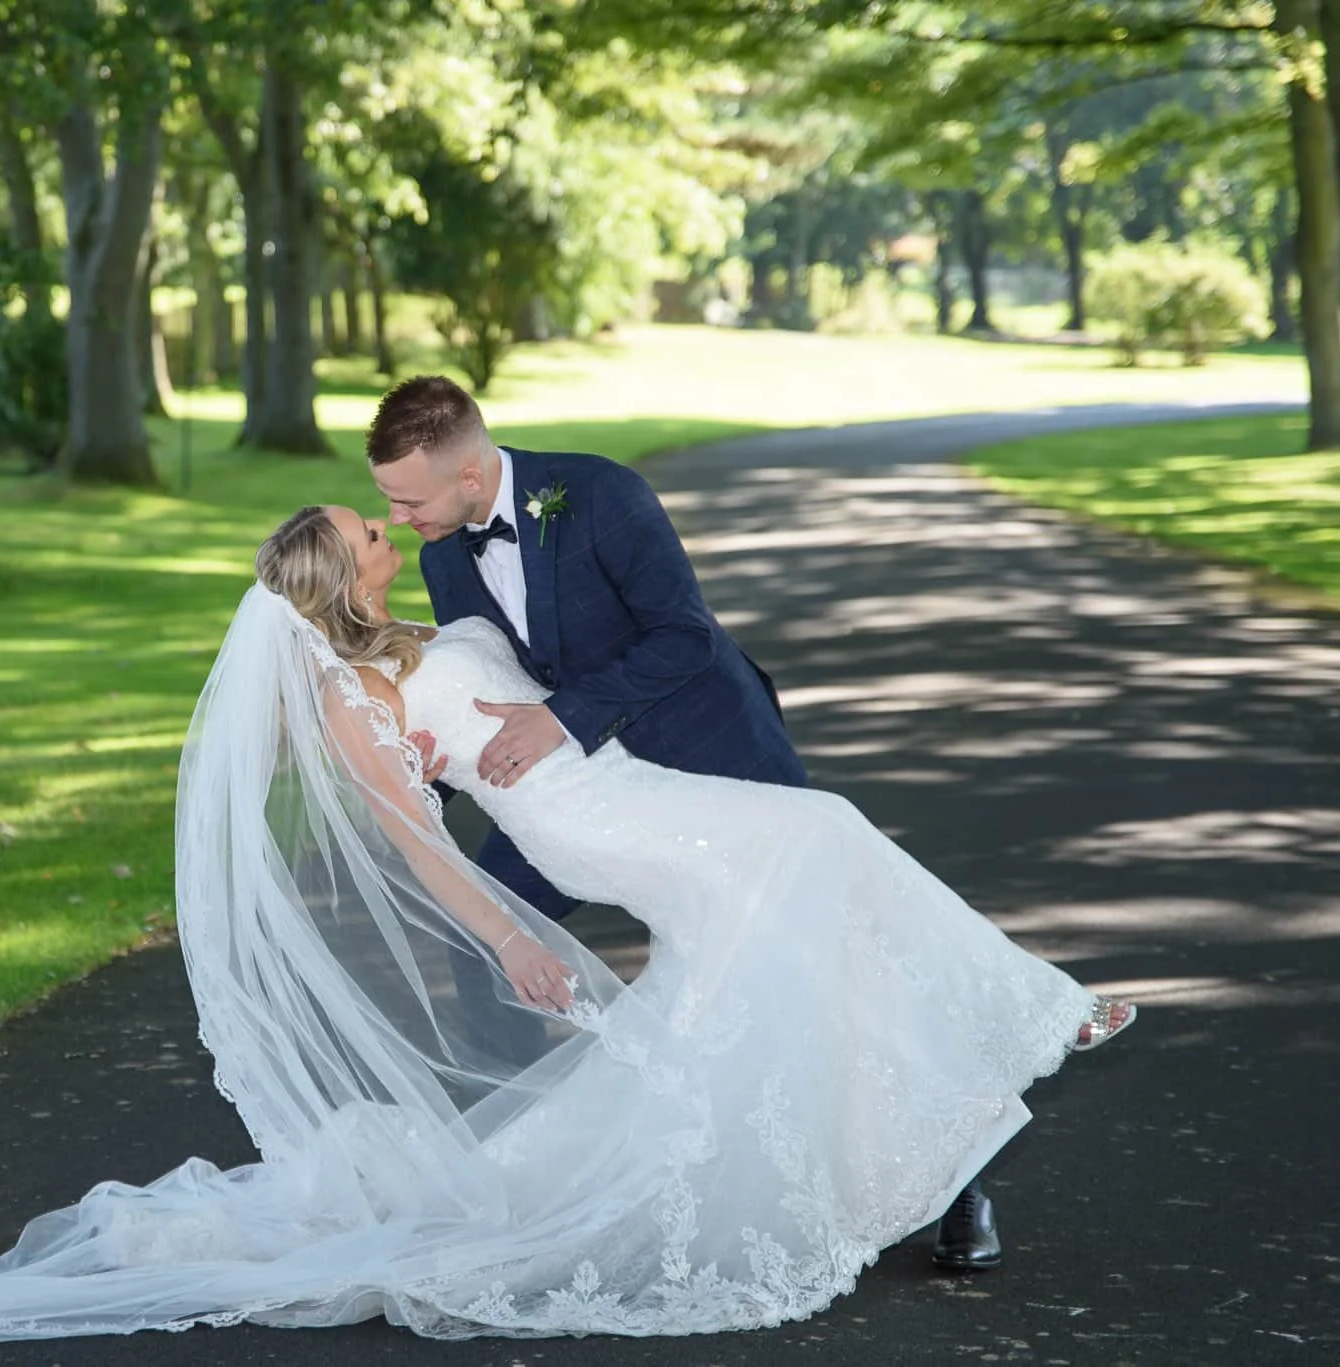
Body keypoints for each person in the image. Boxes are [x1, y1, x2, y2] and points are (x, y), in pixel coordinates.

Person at [0, 503, 1132, 1362]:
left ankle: (914, 1112)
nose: (384, 529)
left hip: (629, 780)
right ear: (337, 576)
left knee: (783, 934)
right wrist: (511, 938)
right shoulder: (355, 698)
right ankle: (1033, 1011)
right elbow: (422, 844)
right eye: (366, 529)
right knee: (821, 838)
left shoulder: (420, 626)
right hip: (588, 822)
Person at [366, 374, 990, 1271]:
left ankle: (960, 1175)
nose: (396, 517)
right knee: (484, 930)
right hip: (583, 795)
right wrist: (427, 777)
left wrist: (564, 717)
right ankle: (524, 1170)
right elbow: (489, 696)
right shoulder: (442, 557)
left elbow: (684, 635)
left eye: (409, 500)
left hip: (713, 745)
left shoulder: (601, 494)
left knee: (825, 948)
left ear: (469, 475)